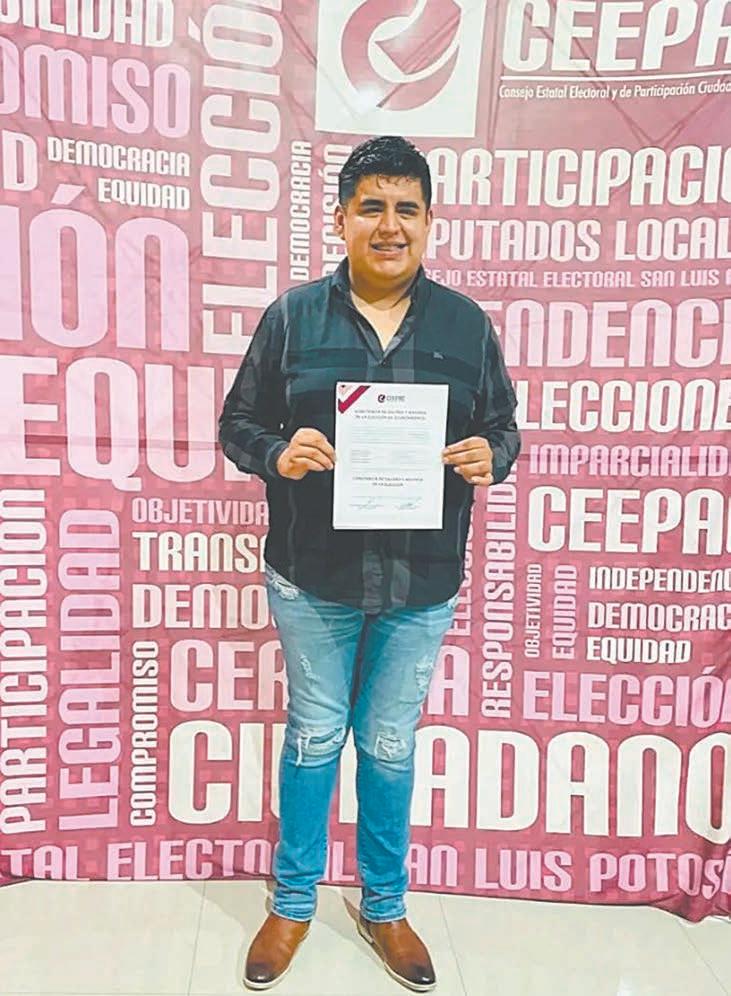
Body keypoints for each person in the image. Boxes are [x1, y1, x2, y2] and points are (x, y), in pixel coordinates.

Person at [219, 135, 520, 992]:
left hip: (421, 577)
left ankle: (383, 906)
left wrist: (490, 457)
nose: (390, 226)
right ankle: (292, 902)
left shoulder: (465, 324)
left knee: (388, 745)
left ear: (429, 221)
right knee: (315, 735)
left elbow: (502, 428)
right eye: (372, 208)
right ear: (341, 219)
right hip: (311, 573)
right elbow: (238, 424)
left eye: (406, 209)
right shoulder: (292, 317)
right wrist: (278, 453)